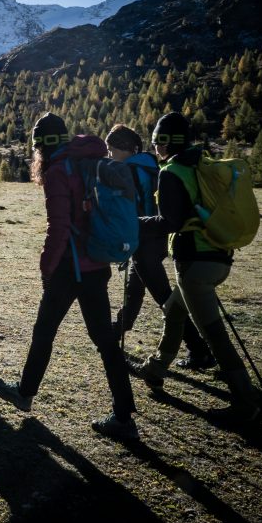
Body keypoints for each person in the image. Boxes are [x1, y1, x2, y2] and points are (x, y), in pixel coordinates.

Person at [0, 113, 138, 441]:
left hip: (70, 268)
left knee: (44, 331)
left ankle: (25, 393)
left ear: (41, 145)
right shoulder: (88, 162)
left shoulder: (58, 171)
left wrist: (46, 268)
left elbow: (58, 227)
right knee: (105, 340)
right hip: (97, 263)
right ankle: (124, 416)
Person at [130, 113, 260, 424]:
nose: (155, 147)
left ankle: (246, 403)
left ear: (168, 142)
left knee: (214, 334)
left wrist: (134, 223)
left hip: (194, 263)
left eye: (158, 141)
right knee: (174, 311)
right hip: (218, 255)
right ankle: (155, 368)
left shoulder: (172, 172)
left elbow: (170, 222)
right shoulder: (199, 164)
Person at [105, 125, 213, 368]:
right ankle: (113, 333)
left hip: (143, 240)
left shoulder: (127, 170)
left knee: (165, 299)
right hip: (162, 238)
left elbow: (127, 211)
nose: (109, 155)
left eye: (111, 150)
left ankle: (199, 350)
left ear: (127, 149)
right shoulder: (154, 165)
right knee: (134, 289)